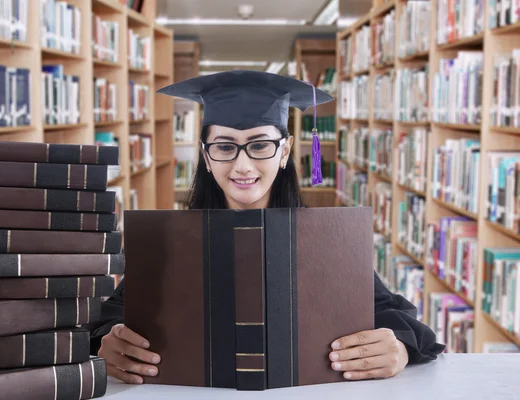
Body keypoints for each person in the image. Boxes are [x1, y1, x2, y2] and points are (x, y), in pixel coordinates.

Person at [88, 70, 446, 385]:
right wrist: (109, 339)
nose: (243, 165)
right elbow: (116, 313)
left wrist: (396, 345)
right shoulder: (172, 241)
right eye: (225, 147)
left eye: (260, 145)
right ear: (206, 156)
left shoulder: (324, 241)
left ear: (286, 150)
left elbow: (396, 315)